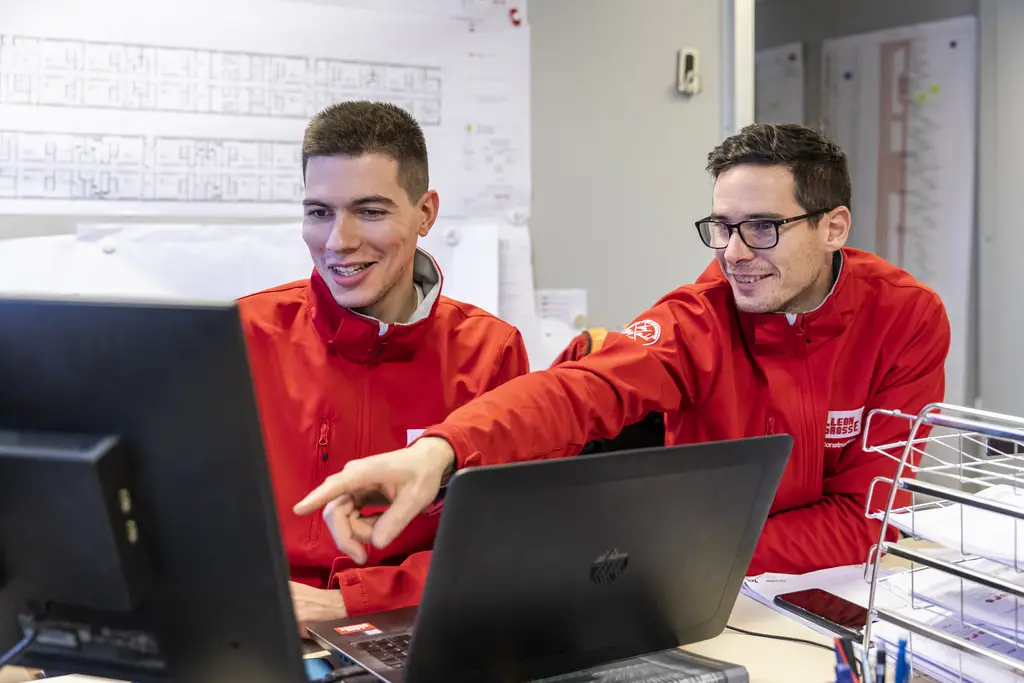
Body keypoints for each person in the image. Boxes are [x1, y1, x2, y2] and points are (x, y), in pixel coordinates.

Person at [293, 123, 951, 577]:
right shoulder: (703, 316)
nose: (735, 253)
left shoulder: (906, 317)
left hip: (820, 591)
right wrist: (438, 452)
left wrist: (681, 547)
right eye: (721, 227)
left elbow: (864, 523)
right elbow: (579, 390)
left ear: (834, 226)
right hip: (714, 596)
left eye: (763, 227)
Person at [239, 101, 529, 628]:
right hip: (254, 627)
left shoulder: (490, 352)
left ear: (425, 213)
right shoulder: (242, 335)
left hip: (410, 626)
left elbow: (502, 543)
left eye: (370, 212)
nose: (338, 242)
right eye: (318, 212)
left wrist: (353, 601)